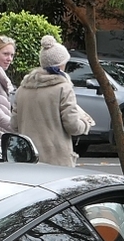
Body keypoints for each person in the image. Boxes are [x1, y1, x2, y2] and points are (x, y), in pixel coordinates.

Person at [11, 36, 94, 167]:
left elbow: (14, 124)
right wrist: (85, 123)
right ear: (61, 64)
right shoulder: (63, 88)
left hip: (28, 160)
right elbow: (73, 126)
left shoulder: (22, 89)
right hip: (57, 160)